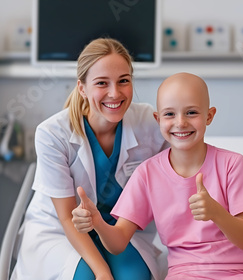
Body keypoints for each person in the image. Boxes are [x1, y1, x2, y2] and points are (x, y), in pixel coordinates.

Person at [72, 72, 243, 280]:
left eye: (191, 112)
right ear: (157, 119)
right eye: (169, 114)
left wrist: (216, 213)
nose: (180, 123)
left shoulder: (232, 165)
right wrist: (98, 223)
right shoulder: (148, 174)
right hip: (184, 274)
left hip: (242, 274)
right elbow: (118, 243)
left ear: (209, 116)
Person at [11, 38, 168, 280]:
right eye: (102, 83)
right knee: (86, 277)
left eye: (123, 81)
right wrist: (103, 273)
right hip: (61, 232)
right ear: (82, 88)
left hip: (121, 231)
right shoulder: (53, 133)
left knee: (135, 277)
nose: (114, 93)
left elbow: (183, 160)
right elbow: (66, 216)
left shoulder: (150, 122)